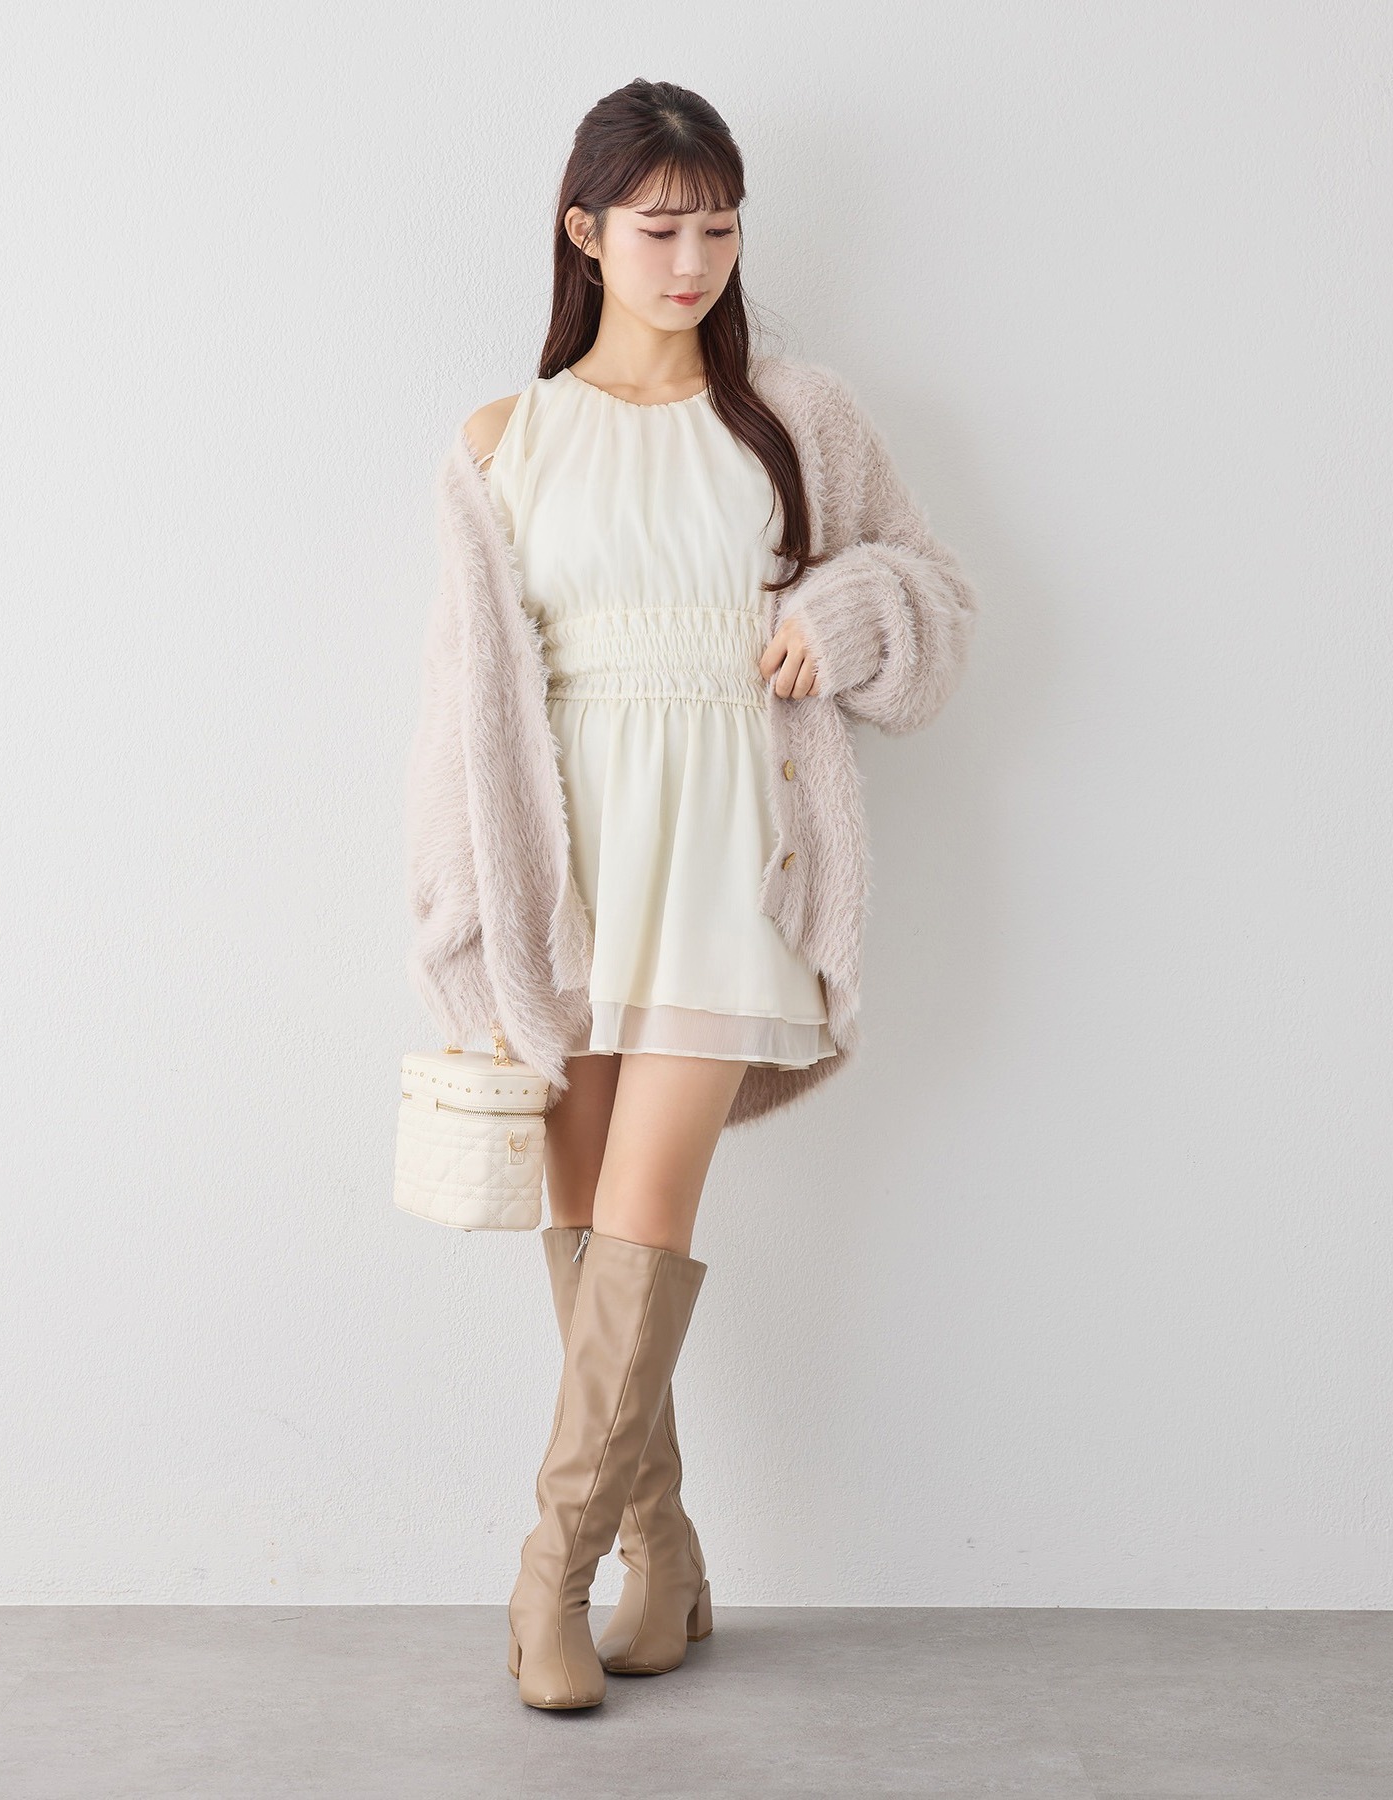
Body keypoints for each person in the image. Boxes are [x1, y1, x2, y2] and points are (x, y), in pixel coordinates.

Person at [406, 78, 976, 1711]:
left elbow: (937, 601)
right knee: (589, 1236)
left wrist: (844, 620)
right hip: (572, 883)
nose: (695, 261)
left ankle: (547, 1582)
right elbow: (465, 710)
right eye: (661, 229)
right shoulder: (501, 439)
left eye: (720, 228)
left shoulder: (797, 416)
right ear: (583, 232)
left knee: (643, 1216)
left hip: (738, 863)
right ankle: (667, 1561)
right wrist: (461, 921)